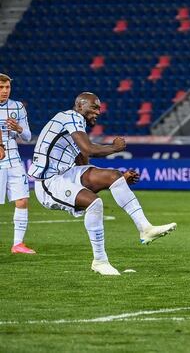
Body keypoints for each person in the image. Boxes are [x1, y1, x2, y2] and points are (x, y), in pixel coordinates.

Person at [27, 92, 176, 275]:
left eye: (99, 108)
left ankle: (145, 228)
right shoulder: (70, 117)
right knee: (94, 203)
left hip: (66, 174)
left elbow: (84, 165)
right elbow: (89, 149)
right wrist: (115, 147)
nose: (98, 112)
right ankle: (100, 260)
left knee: (113, 176)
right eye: (94, 107)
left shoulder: (74, 127)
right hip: (48, 182)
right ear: (80, 106)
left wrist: (119, 180)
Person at [0, 74, 35, 254]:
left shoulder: (18, 107)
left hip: (13, 159)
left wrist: (18, 129)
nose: (5, 91)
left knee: (22, 200)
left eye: (7, 87)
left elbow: (28, 137)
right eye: (1, 87)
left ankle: (18, 244)